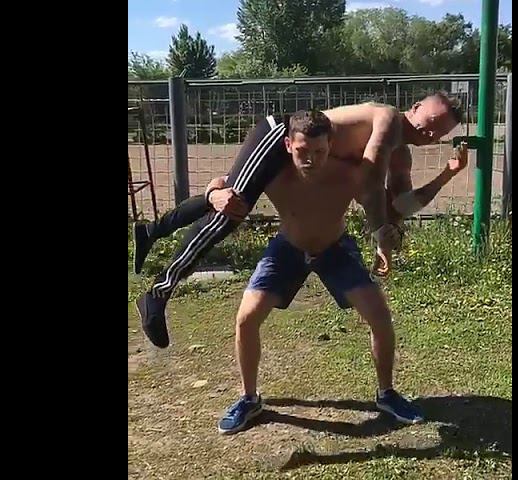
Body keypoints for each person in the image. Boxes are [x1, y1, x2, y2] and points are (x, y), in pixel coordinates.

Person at [135, 93, 463, 348]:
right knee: (229, 210)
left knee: (226, 202)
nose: (430, 132)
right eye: (431, 121)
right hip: (282, 137)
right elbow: (371, 180)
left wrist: (447, 175)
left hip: (307, 154)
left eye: (440, 132)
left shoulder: (401, 155)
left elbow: (400, 206)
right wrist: (380, 237)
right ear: (415, 107)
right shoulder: (388, 119)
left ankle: (150, 230)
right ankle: (157, 294)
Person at [213, 110, 424, 434]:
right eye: (302, 151)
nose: (311, 159)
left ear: (331, 146)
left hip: (335, 249)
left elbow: (383, 204)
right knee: (246, 318)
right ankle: (249, 398)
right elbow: (223, 183)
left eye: (319, 151)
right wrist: (215, 194)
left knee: (380, 315)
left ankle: (387, 394)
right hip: (287, 248)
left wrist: (384, 238)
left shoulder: (349, 172)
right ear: (288, 145)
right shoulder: (271, 170)